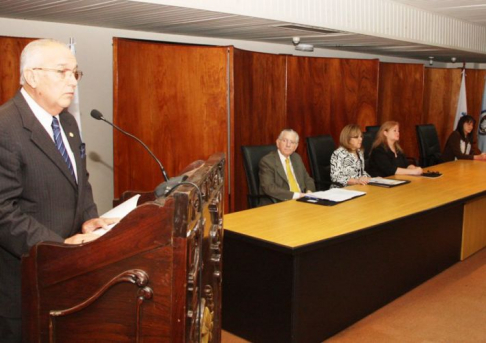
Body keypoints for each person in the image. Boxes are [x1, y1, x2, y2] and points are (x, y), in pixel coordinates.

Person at [0, 39, 118, 342]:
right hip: (25, 276)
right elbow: (3, 212)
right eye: (63, 71)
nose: (72, 81)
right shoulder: (5, 126)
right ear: (32, 76)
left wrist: (89, 218)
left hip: (68, 270)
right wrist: (59, 247)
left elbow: (80, 179)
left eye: (76, 73)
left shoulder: (66, 121)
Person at [259, 129, 315, 204]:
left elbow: (307, 179)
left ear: (295, 147)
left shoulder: (296, 158)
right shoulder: (267, 161)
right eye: (285, 140)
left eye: (292, 142)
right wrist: (297, 195)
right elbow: (269, 188)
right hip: (279, 203)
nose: (288, 145)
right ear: (278, 142)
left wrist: (309, 192)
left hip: (302, 201)